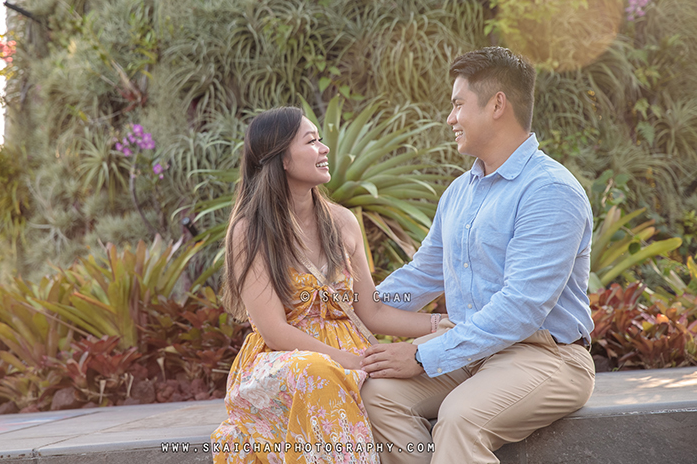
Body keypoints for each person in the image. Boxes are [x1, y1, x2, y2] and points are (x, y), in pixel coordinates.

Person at [360, 47, 596, 464]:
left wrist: (420, 353)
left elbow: (521, 307)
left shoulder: (549, 191)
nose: (450, 118)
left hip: (545, 356)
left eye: (457, 105)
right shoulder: (458, 193)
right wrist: (346, 303)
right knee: (377, 395)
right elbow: (419, 278)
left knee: (460, 418)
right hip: (471, 351)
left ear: (497, 105)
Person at [211, 106, 444, 464]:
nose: (324, 149)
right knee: (318, 372)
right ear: (282, 159)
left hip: (350, 354)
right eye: (312, 141)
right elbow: (274, 331)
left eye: (320, 140)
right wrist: (349, 361)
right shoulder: (250, 230)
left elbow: (372, 310)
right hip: (286, 360)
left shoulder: (342, 222)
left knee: (416, 361)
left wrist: (438, 325)